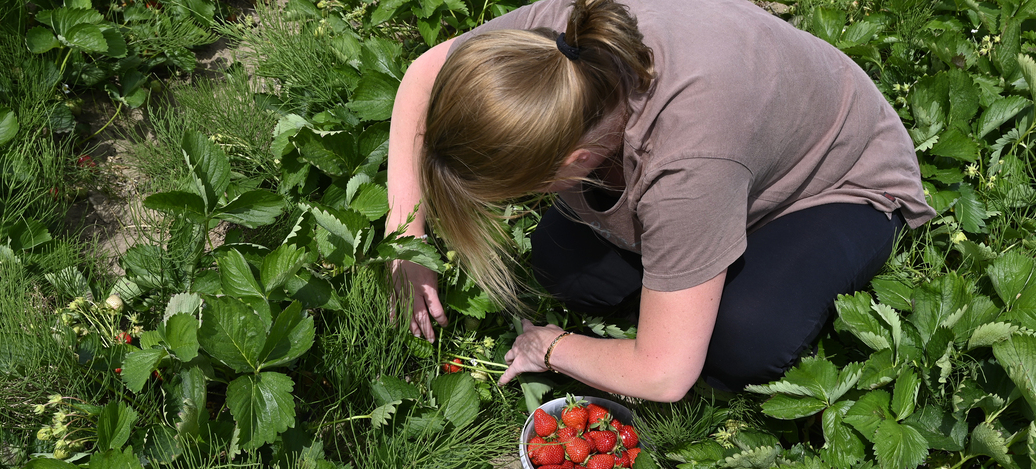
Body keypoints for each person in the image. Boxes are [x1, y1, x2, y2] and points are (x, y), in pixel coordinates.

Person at [386, 0, 933, 401]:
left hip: (832, 180)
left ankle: (713, 273)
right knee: (561, 268)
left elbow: (664, 375)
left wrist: (548, 349)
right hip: (730, 148)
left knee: (742, 340)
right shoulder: (550, 52)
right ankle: (688, 273)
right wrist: (406, 233)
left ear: (576, 160)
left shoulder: (686, 159)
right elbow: (424, 76)